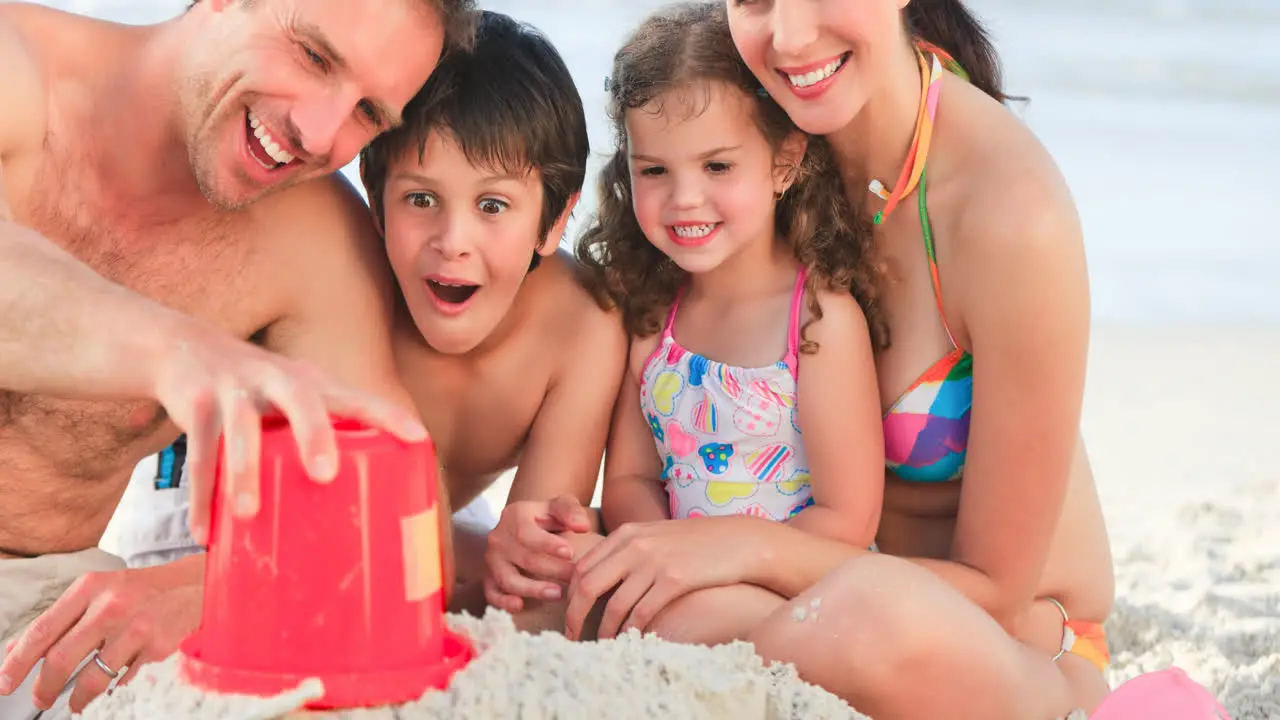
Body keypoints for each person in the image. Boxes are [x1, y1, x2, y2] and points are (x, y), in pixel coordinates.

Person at [559, 1, 1116, 718]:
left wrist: (731, 550)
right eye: (756, 0)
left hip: (1008, 645)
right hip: (792, 598)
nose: (789, 38)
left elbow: (996, 595)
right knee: (579, 576)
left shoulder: (1010, 212)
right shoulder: (753, 140)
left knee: (857, 613)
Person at [0, 0, 474, 716]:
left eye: (367, 113)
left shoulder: (312, 241)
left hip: (40, 611)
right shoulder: (15, 65)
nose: (318, 133)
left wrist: (221, 591)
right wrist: (177, 349)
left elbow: (407, 536)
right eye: (313, 56)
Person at [108, 9, 628, 623]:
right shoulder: (343, 275)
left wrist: (517, 558)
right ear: (375, 206)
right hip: (222, 510)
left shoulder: (583, 327)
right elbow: (314, 534)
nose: (452, 240)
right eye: (421, 198)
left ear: (558, 218)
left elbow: (530, 575)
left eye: (493, 204)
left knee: (529, 574)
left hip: (429, 525)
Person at [493, 1, 888, 645]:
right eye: (654, 171)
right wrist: (658, 549)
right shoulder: (653, 314)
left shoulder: (817, 321)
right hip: (671, 571)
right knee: (544, 594)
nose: (684, 199)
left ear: (784, 162)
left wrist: (713, 557)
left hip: (792, 583)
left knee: (685, 618)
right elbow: (629, 480)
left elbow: (846, 521)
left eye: (717, 166)